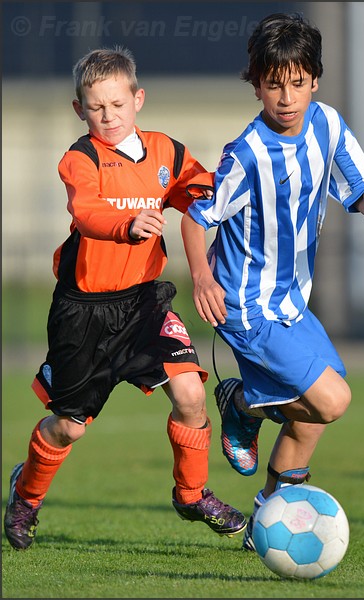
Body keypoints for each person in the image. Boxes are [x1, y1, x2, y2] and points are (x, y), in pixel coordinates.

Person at [4, 46, 247, 551]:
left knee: (191, 394)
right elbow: (89, 211)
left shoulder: (167, 152)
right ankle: (26, 495)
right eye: (96, 107)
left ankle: (192, 494)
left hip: (144, 305)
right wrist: (127, 225)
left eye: (117, 104)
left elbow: (203, 191)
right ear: (80, 110)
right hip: (83, 312)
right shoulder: (80, 158)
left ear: (138, 99)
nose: (108, 116)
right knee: (67, 428)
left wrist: (238, 186)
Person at [181, 12, 364, 552]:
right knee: (332, 400)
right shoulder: (246, 153)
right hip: (245, 306)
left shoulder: (327, 123)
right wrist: (202, 276)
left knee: (311, 422)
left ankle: (264, 522)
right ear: (255, 83)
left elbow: (357, 181)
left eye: (297, 82)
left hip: (292, 304)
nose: (286, 96)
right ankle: (243, 406)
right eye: (273, 83)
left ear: (315, 80)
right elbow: (194, 216)